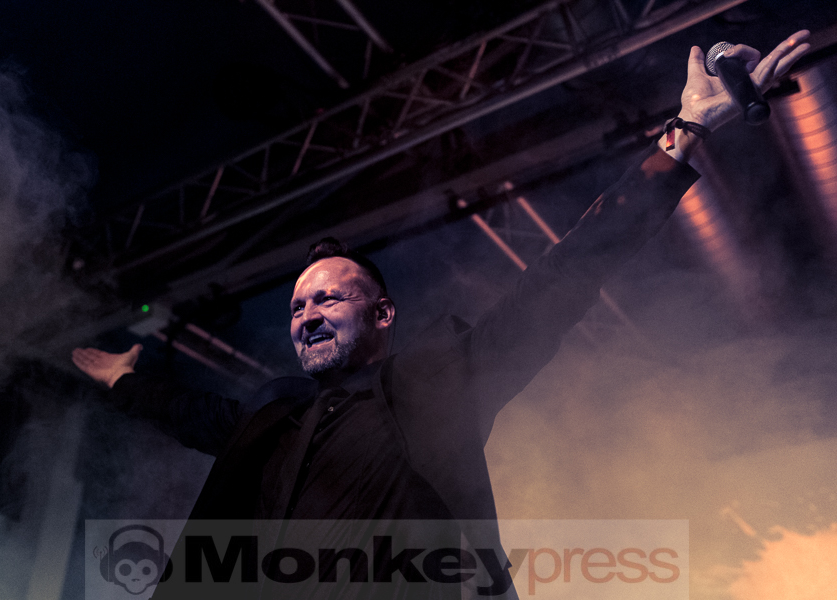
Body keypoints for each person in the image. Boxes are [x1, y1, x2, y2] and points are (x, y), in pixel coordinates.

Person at [72, 31, 810, 596]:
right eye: (297, 305)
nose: (306, 314)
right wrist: (124, 382)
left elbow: (565, 277)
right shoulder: (273, 420)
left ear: (382, 314)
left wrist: (686, 130)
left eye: (328, 297)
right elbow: (190, 414)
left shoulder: (444, 386)